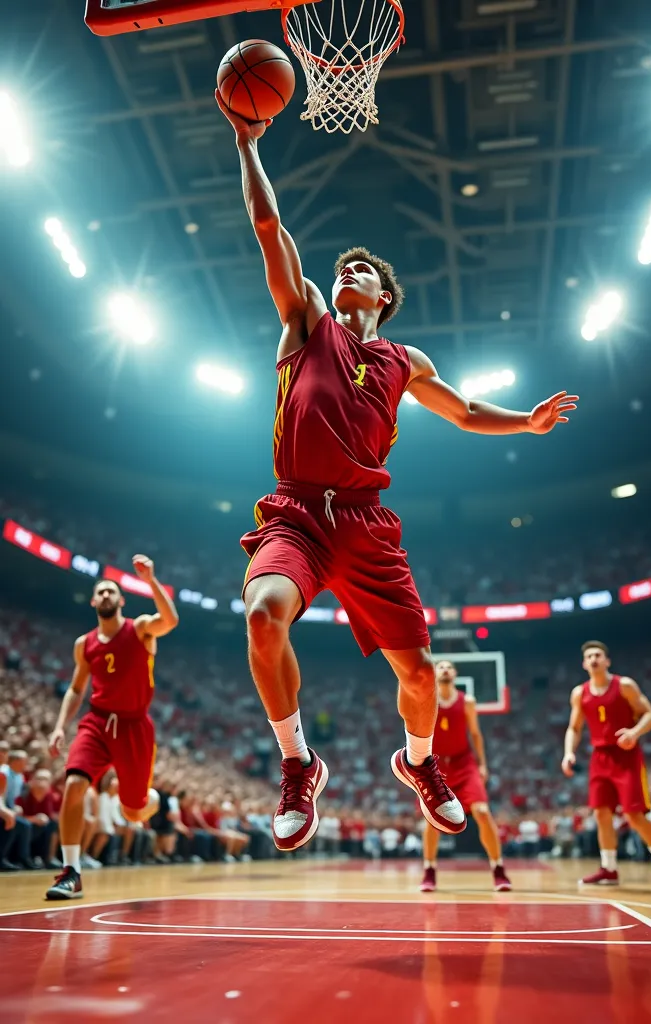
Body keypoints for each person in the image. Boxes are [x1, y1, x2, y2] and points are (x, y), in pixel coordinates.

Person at [215, 90, 579, 853]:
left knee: (420, 678)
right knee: (260, 614)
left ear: (384, 298)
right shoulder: (306, 317)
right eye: (343, 264)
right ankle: (296, 762)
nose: (347, 269)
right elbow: (268, 226)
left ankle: (419, 765)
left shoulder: (405, 360)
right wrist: (247, 144)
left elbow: (467, 410)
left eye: (363, 270)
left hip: (366, 525)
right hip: (296, 516)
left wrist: (528, 421)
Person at [45, 556, 179, 899]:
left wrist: (151, 580)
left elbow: (170, 619)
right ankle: (70, 871)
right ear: (93, 601)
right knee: (74, 782)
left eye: (111, 590)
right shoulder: (84, 644)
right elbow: (76, 688)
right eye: (100, 590)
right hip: (98, 721)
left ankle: (148, 799)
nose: (105, 594)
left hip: (134, 727)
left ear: (121, 600)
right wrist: (61, 726)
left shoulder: (140, 629)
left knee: (133, 810)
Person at [561, 641, 651, 889]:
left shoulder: (624, 685)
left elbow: (650, 715)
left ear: (607, 661)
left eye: (598, 655)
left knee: (634, 815)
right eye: (589, 656)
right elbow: (574, 727)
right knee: (601, 813)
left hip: (627, 756)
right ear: (584, 664)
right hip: (599, 757)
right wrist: (569, 752)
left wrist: (634, 732)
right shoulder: (579, 693)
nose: (593, 659)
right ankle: (609, 868)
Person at [419, 661, 511, 892]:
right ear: (435, 673)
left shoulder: (467, 701)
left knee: (481, 811)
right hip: (436, 766)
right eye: (441, 667)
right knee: (432, 820)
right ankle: (429, 870)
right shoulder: (428, 700)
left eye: (449, 667)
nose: (446, 670)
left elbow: (476, 735)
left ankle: (498, 868)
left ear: (456, 674)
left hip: (464, 762)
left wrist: (482, 764)